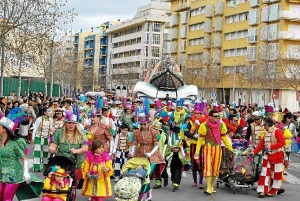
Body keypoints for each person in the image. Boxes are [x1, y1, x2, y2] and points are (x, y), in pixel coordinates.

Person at [194, 109, 233, 195]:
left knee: (215, 168)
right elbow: (200, 140)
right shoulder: (204, 125)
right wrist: (197, 152)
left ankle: (211, 186)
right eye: (215, 116)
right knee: (208, 167)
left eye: (218, 116)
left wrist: (230, 148)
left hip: (218, 148)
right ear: (210, 117)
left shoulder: (222, 125)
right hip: (207, 148)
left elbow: (224, 138)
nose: (217, 118)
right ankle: (208, 188)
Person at [130, 112, 165, 200]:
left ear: (148, 123)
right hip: (140, 154)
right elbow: (134, 143)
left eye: (144, 124)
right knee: (140, 176)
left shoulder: (155, 131)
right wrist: (132, 151)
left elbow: (156, 145)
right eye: (141, 124)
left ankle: (141, 196)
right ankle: (149, 195)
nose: (143, 126)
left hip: (153, 156)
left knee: (147, 176)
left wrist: (150, 153)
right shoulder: (136, 132)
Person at [48, 111, 88, 190]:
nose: (71, 125)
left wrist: (76, 151)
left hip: (76, 161)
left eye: (73, 123)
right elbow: (53, 145)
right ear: (65, 123)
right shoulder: (59, 132)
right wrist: (52, 149)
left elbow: (85, 148)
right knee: (57, 178)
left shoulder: (81, 133)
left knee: (73, 183)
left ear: (76, 124)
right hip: (62, 159)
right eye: (69, 123)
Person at [0, 117, 32, 201]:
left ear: (4, 129)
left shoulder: (15, 143)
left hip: (13, 174)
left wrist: (26, 172)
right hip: (0, 173)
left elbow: (23, 158)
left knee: (6, 198)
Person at [253, 118, 285, 197]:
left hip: (277, 155)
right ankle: (262, 190)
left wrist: (271, 147)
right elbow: (262, 144)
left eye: (264, 125)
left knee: (276, 173)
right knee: (264, 173)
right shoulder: (266, 132)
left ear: (268, 125)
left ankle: (274, 189)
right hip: (267, 155)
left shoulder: (277, 131)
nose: (263, 126)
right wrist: (254, 152)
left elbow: (282, 143)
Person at [32, 106, 54, 172]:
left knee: (46, 152)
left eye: (50, 111)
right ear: (44, 112)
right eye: (48, 111)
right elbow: (35, 129)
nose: (50, 113)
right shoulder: (39, 119)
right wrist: (33, 138)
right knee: (37, 152)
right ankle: (36, 167)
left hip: (46, 137)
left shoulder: (51, 119)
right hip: (38, 137)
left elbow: (51, 128)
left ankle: (45, 166)